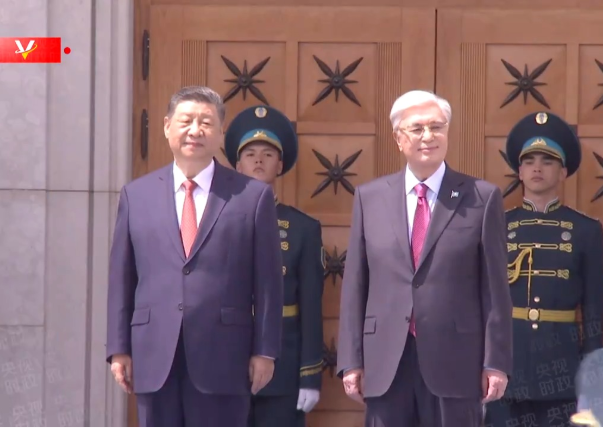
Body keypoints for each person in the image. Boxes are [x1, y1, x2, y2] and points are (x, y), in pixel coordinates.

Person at [105, 86, 284, 427]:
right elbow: (122, 278)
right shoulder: (136, 195)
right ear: (166, 126)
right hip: (153, 354)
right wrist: (118, 347)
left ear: (221, 133)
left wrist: (265, 350)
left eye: (206, 122)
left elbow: (268, 283)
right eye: (186, 121)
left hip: (225, 356)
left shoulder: (251, 197)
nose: (195, 130)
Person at [337, 89, 513, 427]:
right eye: (417, 128)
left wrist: (496, 362)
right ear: (398, 138)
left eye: (437, 127)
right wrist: (351, 360)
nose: (428, 136)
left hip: (457, 362)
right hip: (385, 361)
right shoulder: (369, 198)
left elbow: (495, 290)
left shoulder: (481, 197)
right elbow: (356, 285)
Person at [484, 111, 603, 427]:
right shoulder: (497, 225)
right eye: (529, 161)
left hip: (561, 364)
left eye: (547, 161)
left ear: (563, 172)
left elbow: (594, 307)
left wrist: (591, 370)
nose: (537, 168)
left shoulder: (586, 230)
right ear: (520, 171)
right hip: (506, 363)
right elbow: (482, 299)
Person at [223, 105, 325, 427]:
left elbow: (311, 306)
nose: (258, 160)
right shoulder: (214, 222)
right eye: (250, 154)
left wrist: (310, 374)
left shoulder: (303, 228)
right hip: (223, 365)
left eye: (268, 154)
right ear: (237, 164)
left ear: (280, 165)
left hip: (283, 369)